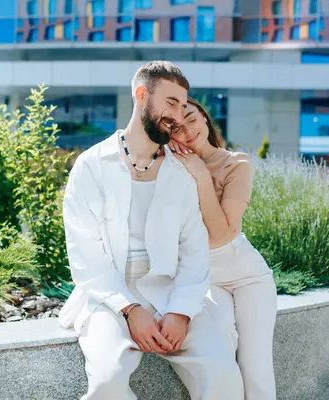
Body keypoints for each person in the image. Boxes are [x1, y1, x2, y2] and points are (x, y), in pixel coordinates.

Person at [57, 61, 244, 400]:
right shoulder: (92, 166)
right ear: (141, 95)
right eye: (170, 103)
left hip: (173, 294)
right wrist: (129, 309)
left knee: (224, 375)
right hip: (107, 297)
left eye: (183, 106)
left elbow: (194, 250)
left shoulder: (182, 173)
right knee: (107, 382)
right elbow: (86, 255)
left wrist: (181, 311)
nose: (177, 115)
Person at [168, 97, 278, 400]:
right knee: (221, 354)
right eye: (176, 128)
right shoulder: (170, 169)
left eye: (191, 118)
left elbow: (223, 233)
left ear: (204, 118)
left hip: (248, 276)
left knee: (256, 369)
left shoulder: (237, 163)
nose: (188, 131)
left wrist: (201, 174)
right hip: (204, 277)